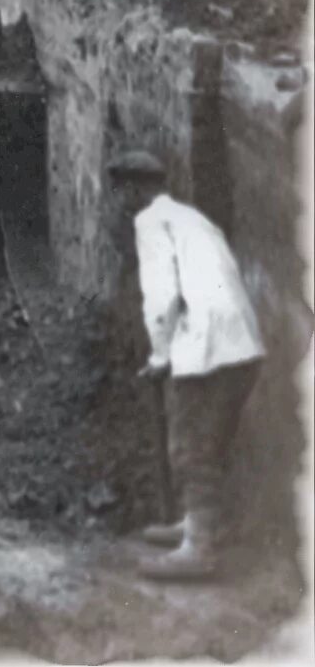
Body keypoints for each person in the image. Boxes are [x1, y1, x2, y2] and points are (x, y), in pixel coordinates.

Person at [107, 150, 266, 582]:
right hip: (243, 344)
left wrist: (160, 355)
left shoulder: (150, 222)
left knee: (190, 447)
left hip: (208, 345)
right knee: (212, 443)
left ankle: (199, 549)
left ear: (138, 188)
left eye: (122, 190)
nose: (121, 200)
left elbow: (161, 295)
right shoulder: (193, 219)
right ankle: (206, 525)